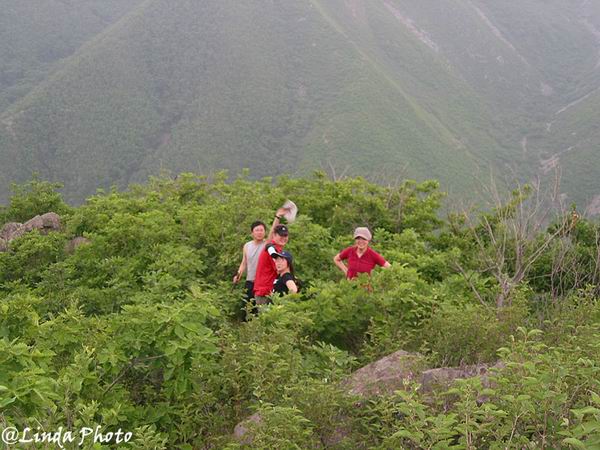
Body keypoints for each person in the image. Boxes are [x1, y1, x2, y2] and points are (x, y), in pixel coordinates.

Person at [253, 208, 290, 304]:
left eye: (285, 235)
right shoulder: (272, 249)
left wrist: (278, 217)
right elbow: (280, 270)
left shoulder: (274, 247)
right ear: (275, 235)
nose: (283, 238)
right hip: (265, 293)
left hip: (269, 291)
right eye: (281, 235)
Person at [233, 221, 267, 302]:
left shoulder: (267, 244)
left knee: (261, 307)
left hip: (263, 283)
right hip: (250, 281)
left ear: (265, 232)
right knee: (248, 306)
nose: (259, 232)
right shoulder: (247, 246)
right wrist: (238, 275)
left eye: (261, 230)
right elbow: (244, 263)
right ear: (252, 233)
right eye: (257, 230)